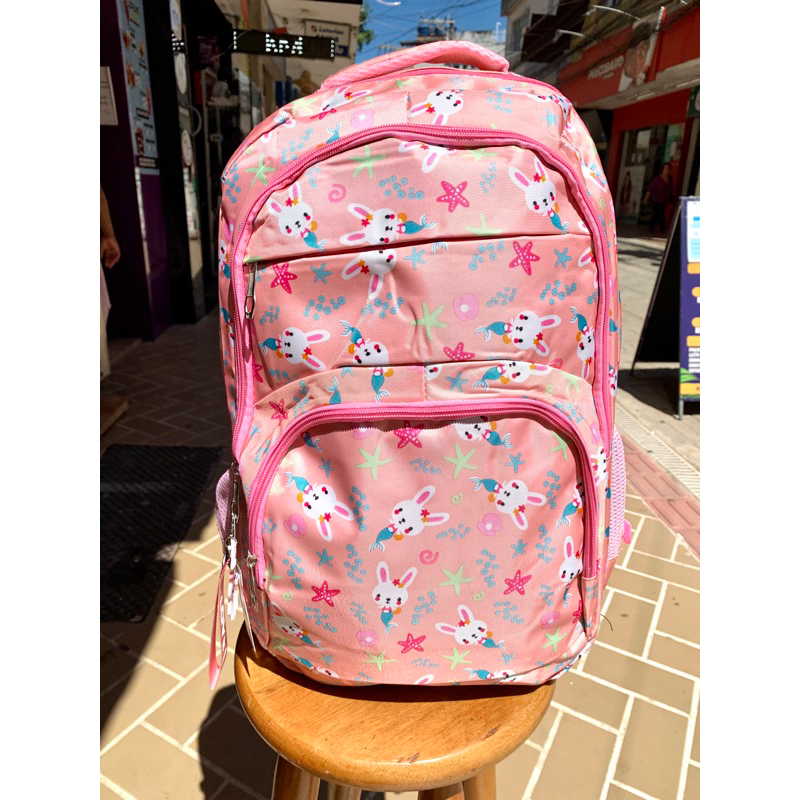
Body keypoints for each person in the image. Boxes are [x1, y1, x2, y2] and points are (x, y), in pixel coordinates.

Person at [643, 163, 674, 235]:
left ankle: (653, 226)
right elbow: (650, 189)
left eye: (668, 168)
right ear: (662, 169)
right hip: (657, 199)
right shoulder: (657, 179)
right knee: (659, 213)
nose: (667, 170)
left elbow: (671, 189)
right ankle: (661, 228)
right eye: (665, 168)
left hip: (664, 200)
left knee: (658, 214)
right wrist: (646, 199)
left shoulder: (670, 179)